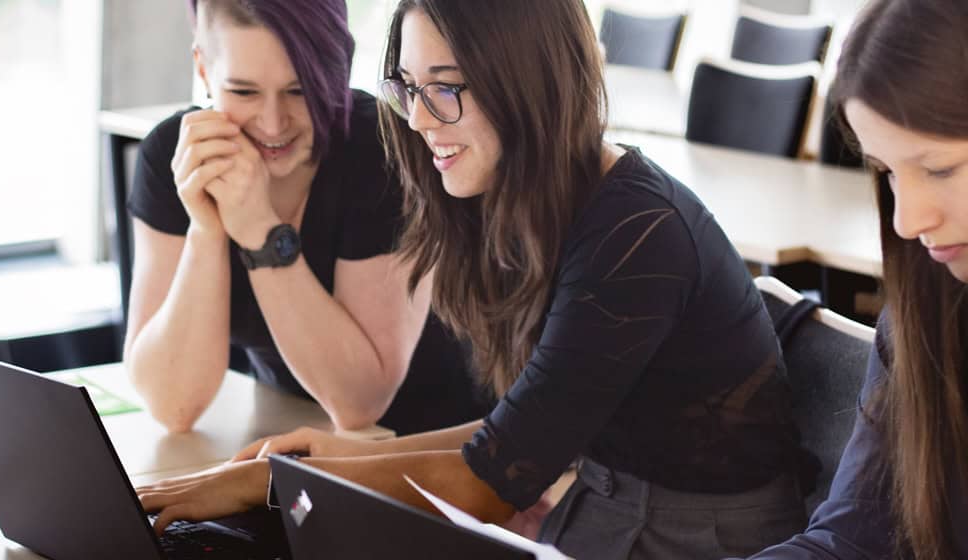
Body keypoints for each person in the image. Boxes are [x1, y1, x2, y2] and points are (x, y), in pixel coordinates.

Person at [135, 1, 814, 558]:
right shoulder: (535, 202)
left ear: (526, 80)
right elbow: (514, 432)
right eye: (409, 87)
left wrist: (269, 483)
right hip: (604, 513)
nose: (422, 119)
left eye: (448, 88)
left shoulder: (637, 233)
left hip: (698, 542)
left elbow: (496, 480)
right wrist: (360, 456)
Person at [123, 0, 489, 435]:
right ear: (203, 68)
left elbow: (360, 404)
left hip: (442, 447)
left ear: (338, 68)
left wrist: (260, 231)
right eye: (244, 92)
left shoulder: (382, 152)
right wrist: (207, 230)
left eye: (299, 90)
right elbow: (172, 405)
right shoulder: (176, 156)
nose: (274, 124)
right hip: (293, 439)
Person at [745, 1, 968, 558]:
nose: (906, 221)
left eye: (939, 169)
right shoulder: (929, 308)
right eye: (888, 172)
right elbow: (853, 536)